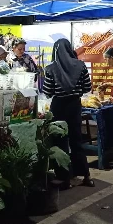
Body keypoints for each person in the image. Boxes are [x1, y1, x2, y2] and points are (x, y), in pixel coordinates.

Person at [43, 38, 94, 187]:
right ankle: (86, 175)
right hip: (74, 106)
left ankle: (65, 178)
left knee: (60, 141)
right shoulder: (80, 65)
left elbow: (47, 92)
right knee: (76, 140)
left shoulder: (51, 68)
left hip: (58, 107)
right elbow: (86, 87)